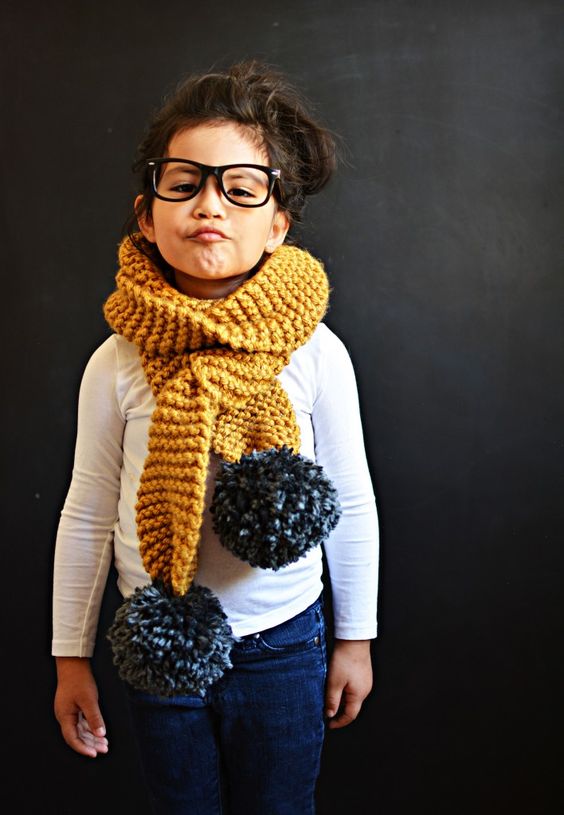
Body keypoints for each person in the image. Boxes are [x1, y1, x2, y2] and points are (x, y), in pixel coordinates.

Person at [52, 59, 379, 815]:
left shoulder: (315, 352)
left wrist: (354, 638)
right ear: (146, 214)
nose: (210, 205)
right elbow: (89, 507)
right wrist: (70, 653)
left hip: (286, 645)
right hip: (157, 640)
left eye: (240, 188)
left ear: (277, 225)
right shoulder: (118, 359)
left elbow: (352, 499)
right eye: (185, 181)